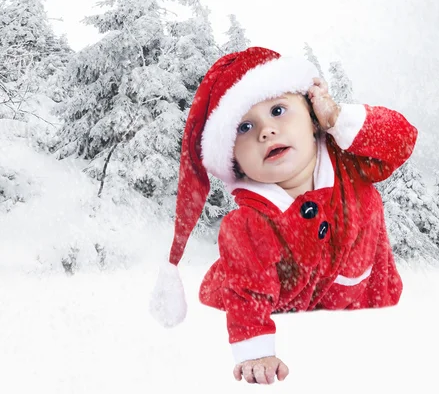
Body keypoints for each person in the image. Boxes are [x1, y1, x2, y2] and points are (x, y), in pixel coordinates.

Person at [149, 46, 418, 385]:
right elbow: (248, 294)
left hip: (370, 301)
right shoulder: (247, 223)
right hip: (272, 302)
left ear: (311, 118)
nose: (266, 131)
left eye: (279, 110)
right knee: (234, 282)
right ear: (234, 161)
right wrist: (256, 350)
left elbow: (401, 139)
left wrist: (337, 118)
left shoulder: (350, 165)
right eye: (244, 127)